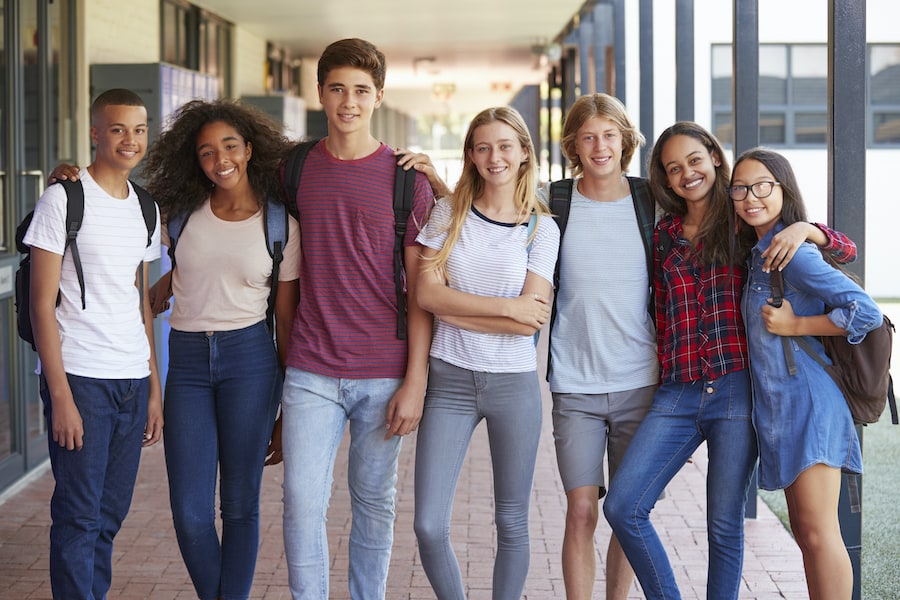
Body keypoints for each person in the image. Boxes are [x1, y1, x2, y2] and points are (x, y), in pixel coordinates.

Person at [49, 98, 301, 600]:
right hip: (186, 362)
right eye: (206, 152)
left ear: (250, 150)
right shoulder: (178, 214)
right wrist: (66, 176)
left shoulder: (281, 226)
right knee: (189, 513)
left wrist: (286, 410)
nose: (220, 159)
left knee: (240, 506)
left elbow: (287, 323)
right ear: (196, 160)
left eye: (230, 146)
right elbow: (120, 222)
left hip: (251, 361)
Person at [602, 121, 858, 600]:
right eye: (673, 168)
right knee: (622, 505)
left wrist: (808, 229)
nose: (687, 173)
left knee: (724, 525)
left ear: (714, 158)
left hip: (736, 391)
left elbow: (845, 250)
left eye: (694, 160)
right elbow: (658, 313)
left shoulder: (743, 220)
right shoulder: (663, 235)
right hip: (677, 391)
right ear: (664, 178)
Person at [274, 38, 434, 600]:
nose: (349, 102)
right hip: (311, 369)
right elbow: (230, 196)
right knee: (301, 503)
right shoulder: (293, 170)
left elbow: (422, 292)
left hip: (385, 371)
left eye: (361, 91)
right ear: (320, 93)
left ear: (379, 96)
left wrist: (415, 381)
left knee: (373, 503)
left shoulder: (407, 180)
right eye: (338, 89)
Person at [413, 106, 559, 599]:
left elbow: (530, 322)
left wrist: (455, 306)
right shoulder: (447, 213)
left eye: (504, 146)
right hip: (449, 381)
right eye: (483, 147)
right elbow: (426, 295)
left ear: (524, 153)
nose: (494, 157)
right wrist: (506, 308)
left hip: (513, 386)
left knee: (512, 522)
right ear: (471, 156)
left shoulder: (541, 229)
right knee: (428, 524)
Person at [25, 88, 163, 599]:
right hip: (81, 378)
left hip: (131, 379)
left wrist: (154, 388)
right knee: (79, 516)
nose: (130, 140)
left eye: (139, 130)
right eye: (118, 129)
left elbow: (140, 301)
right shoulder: (62, 199)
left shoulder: (146, 207)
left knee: (109, 515)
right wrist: (60, 396)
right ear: (95, 133)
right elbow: (42, 304)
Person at [731, 148, 879, 600]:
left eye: (763, 186)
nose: (751, 197)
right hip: (783, 409)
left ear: (783, 189)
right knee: (806, 533)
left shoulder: (793, 254)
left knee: (818, 533)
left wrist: (797, 325)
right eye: (740, 188)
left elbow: (866, 311)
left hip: (812, 406)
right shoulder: (760, 252)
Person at [544, 93, 660, 600]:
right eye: (588, 137)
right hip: (575, 385)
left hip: (640, 381)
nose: (599, 146)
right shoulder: (553, 201)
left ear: (625, 140)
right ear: (573, 144)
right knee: (581, 510)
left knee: (627, 511)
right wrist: (435, 182)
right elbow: (489, 206)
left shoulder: (650, 200)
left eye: (609, 135)